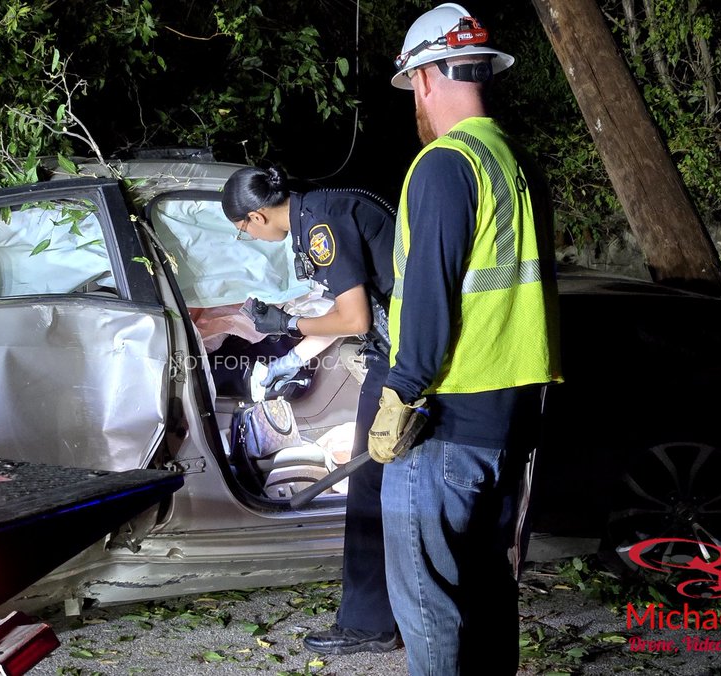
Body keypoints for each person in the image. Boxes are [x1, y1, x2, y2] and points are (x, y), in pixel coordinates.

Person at [367, 4, 563, 674]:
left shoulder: (443, 163)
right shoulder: (515, 161)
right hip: (511, 424)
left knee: (429, 610)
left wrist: (399, 390)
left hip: (443, 424)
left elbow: (429, 293)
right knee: (487, 589)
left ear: (424, 79)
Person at [222, 165, 402, 655]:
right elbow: (352, 317)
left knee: (369, 491)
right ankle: (394, 613)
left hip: (404, 362)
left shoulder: (320, 227)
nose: (250, 238)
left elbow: (356, 316)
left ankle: (370, 625)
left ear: (257, 217)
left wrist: (287, 320)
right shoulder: (319, 209)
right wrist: (293, 356)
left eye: (243, 232)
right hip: (408, 352)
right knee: (392, 488)